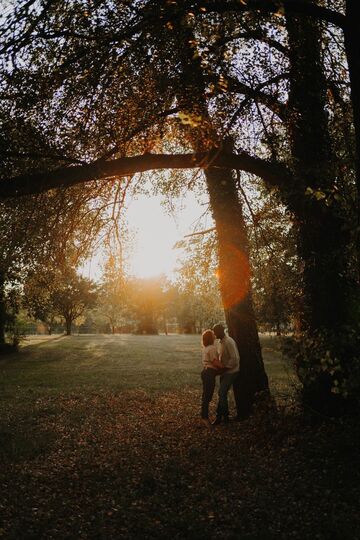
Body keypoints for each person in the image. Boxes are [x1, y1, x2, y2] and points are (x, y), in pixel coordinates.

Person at [212, 323, 240, 425]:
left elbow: (235, 359)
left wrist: (224, 369)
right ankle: (219, 417)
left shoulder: (229, 342)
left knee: (221, 392)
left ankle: (225, 417)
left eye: (215, 332)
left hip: (232, 371)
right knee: (221, 393)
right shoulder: (220, 342)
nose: (214, 334)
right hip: (224, 371)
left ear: (221, 331)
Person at [200, 329, 225, 429]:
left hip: (206, 372)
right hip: (209, 373)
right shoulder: (212, 348)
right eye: (213, 335)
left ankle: (204, 416)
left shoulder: (206, 348)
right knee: (207, 396)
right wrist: (224, 366)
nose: (215, 336)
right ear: (211, 338)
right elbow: (215, 362)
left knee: (206, 395)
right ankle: (204, 417)